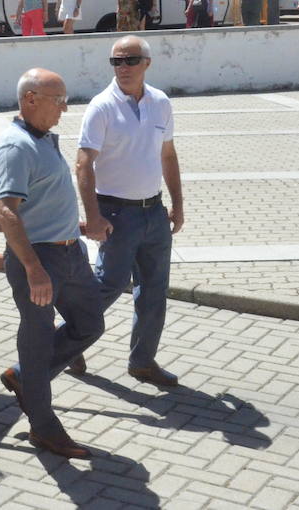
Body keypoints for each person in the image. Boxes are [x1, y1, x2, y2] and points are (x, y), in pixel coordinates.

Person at [0, 68, 104, 459]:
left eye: (64, 99)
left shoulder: (41, 139)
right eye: (57, 100)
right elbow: (7, 211)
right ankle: (44, 427)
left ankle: (26, 379)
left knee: (90, 324)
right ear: (30, 100)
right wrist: (33, 267)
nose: (64, 108)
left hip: (69, 252)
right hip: (39, 260)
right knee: (37, 343)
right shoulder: (15, 146)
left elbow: (42, 198)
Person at [71, 36, 183, 390]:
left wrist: (177, 203)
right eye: (116, 61)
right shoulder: (101, 106)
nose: (123, 67)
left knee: (154, 291)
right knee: (108, 285)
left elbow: (168, 155)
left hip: (154, 213)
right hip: (116, 214)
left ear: (147, 63)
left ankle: (142, 361)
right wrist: (93, 215)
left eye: (131, 60)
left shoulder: (161, 103)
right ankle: (66, 341)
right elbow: (83, 163)